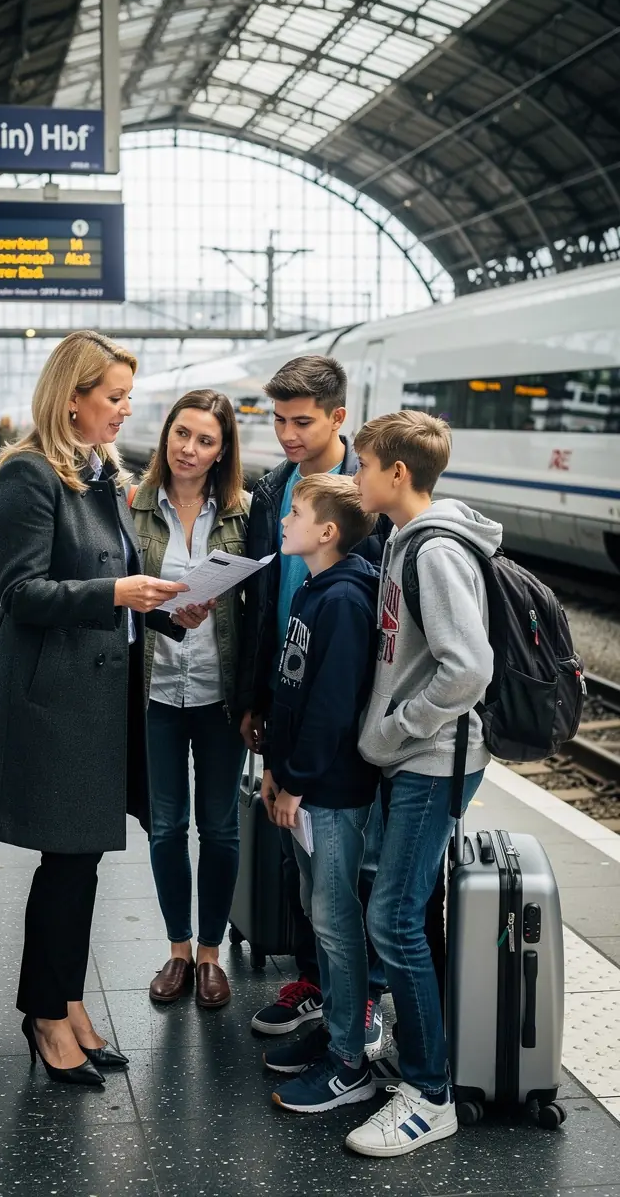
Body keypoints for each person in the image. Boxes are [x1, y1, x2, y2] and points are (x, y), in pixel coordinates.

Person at [0, 330, 199, 1087]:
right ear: (71, 399)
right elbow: (21, 593)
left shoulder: (98, 474)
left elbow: (118, 574)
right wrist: (117, 595)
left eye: (128, 397)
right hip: (55, 701)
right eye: (113, 397)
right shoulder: (27, 476)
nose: (125, 410)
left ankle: (66, 999)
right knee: (66, 861)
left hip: (98, 695)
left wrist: (169, 611)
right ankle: (44, 1014)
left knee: (83, 860)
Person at [344, 409, 501, 1158]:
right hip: (417, 757)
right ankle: (419, 1055)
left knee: (394, 919)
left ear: (396, 473)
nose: (354, 475)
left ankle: (429, 1094)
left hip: (433, 758)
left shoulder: (432, 553)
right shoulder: (408, 540)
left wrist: (398, 725)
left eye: (362, 464)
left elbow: (468, 667)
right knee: (400, 913)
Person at [237, 355, 390, 1041]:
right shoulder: (273, 488)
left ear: (337, 419)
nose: (287, 434)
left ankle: (362, 1004)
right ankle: (315, 983)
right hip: (287, 687)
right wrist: (257, 699)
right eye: (278, 420)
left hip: (348, 710)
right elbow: (260, 595)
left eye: (302, 421)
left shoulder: (370, 489)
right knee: (304, 865)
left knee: (355, 865)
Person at [260, 474, 380, 1112]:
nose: (285, 519)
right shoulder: (315, 589)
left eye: (297, 512)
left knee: (336, 924)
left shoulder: (343, 601)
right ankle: (336, 1031)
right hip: (306, 788)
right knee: (319, 909)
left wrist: (297, 781)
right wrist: (277, 770)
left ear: (327, 531)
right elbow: (293, 693)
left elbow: (331, 707)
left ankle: (349, 1061)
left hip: (329, 793)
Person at [131, 390, 250, 1011]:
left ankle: (211, 954)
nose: (189, 449)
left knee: (222, 827)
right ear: (166, 435)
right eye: (182, 434)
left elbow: (252, 611)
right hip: (155, 691)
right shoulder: (133, 509)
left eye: (206, 440)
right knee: (167, 826)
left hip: (217, 694)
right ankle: (178, 950)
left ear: (222, 450)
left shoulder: (243, 514)